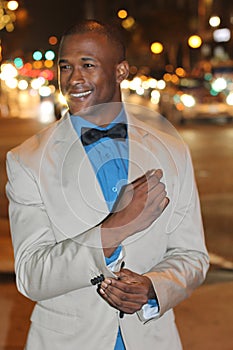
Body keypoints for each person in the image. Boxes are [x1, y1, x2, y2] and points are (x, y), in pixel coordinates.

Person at [6, 19, 209, 350]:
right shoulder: (26, 160)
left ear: (121, 71)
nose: (73, 78)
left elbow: (192, 255)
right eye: (65, 66)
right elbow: (31, 276)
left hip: (153, 340)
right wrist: (112, 231)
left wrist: (154, 289)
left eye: (88, 65)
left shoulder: (171, 150)